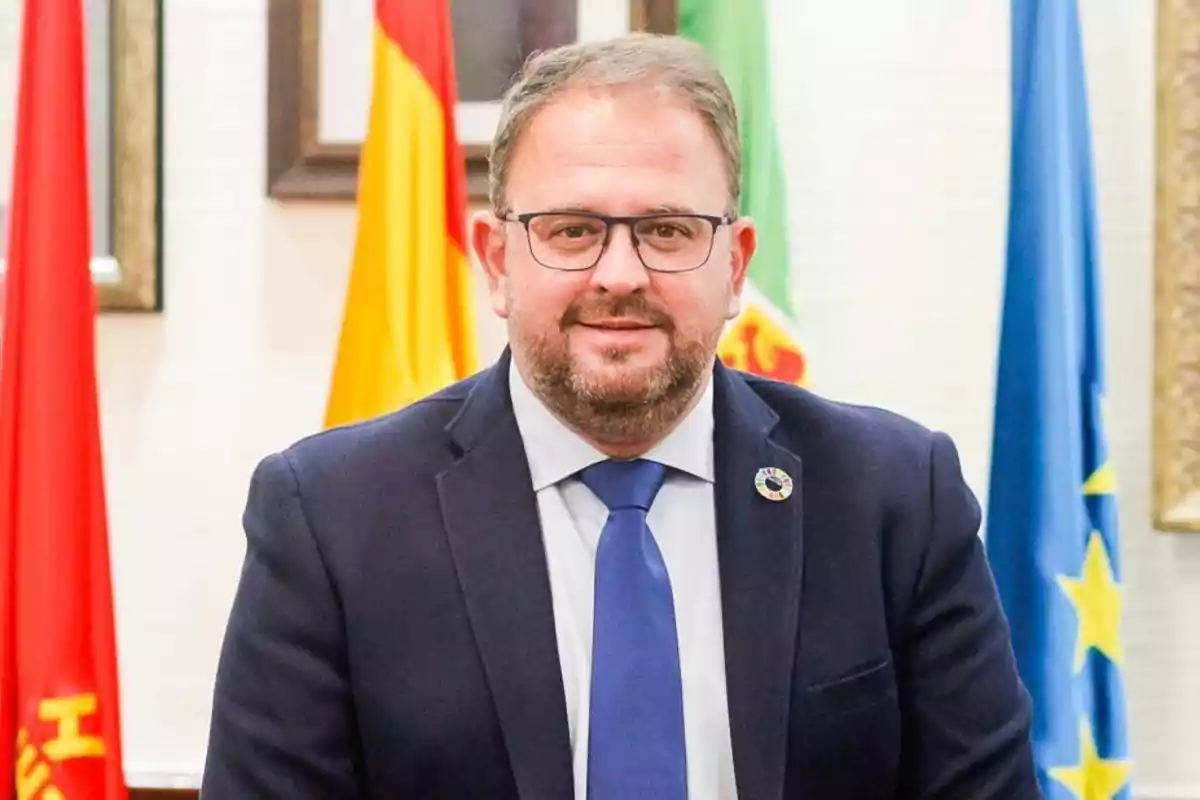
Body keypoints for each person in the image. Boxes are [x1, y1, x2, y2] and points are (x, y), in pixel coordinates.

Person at [200, 32, 1041, 799]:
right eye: (570, 231)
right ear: (497, 261)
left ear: (735, 263)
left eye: (668, 230)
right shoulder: (332, 518)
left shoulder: (895, 500)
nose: (619, 274)